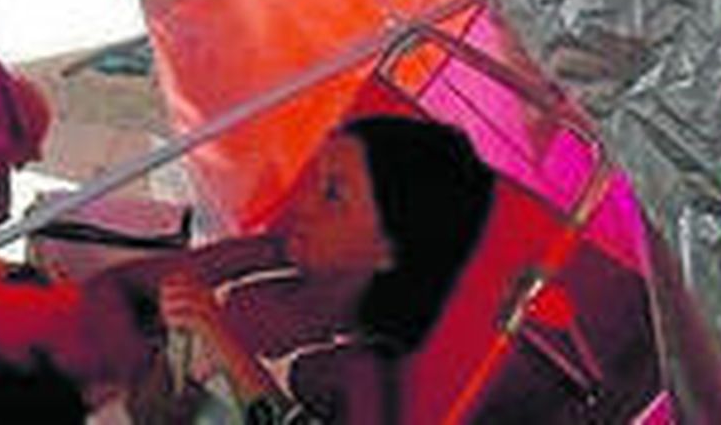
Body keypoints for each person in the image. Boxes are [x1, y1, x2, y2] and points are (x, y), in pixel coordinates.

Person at [71, 115, 497, 423]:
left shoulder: (352, 371)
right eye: (313, 179)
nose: (302, 203)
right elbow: (113, 287)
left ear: (387, 251)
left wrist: (221, 342)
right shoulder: (262, 261)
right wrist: (141, 374)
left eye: (333, 195)